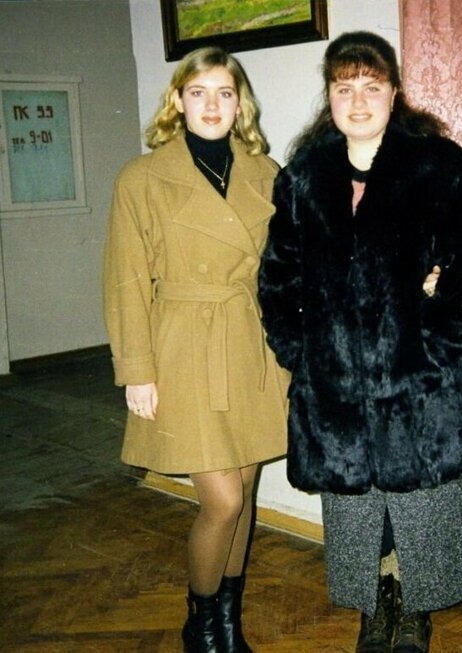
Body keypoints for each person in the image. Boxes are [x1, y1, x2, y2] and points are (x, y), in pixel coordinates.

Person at [257, 31, 462, 653]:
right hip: (334, 388)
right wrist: (301, 354)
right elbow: (277, 278)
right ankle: (376, 604)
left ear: (395, 93)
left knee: (422, 508)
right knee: (358, 511)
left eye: (372, 87)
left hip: (419, 383)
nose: (359, 102)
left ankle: (416, 609)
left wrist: (437, 343)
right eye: (345, 89)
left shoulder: (439, 167)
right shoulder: (303, 177)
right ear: (329, 98)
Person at [103, 46, 289, 653]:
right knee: (223, 500)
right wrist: (136, 369)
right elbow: (126, 279)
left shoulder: (267, 172)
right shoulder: (141, 178)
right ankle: (200, 623)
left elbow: (288, 269)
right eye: (198, 92)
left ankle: (227, 626)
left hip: (250, 344)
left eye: (224, 93)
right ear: (178, 101)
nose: (212, 105)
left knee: (246, 493)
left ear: (240, 104)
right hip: (181, 345)